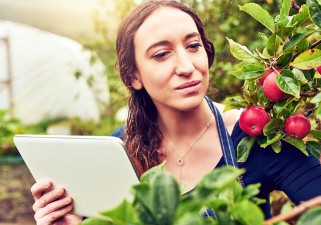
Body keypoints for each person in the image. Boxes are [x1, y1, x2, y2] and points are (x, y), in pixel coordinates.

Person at [30, 1, 321, 224]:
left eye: (193, 46)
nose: (186, 66)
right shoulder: (118, 151)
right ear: (134, 77)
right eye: (161, 54)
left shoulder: (254, 136)